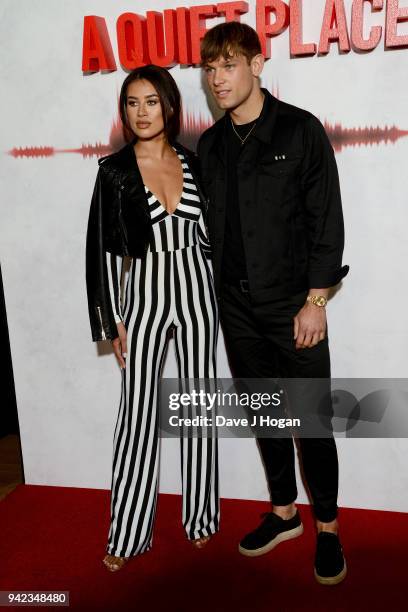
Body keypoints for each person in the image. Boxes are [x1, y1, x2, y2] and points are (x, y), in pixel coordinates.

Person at [197, 22, 349, 585]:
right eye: (210, 68)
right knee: (267, 416)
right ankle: (284, 514)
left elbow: (326, 224)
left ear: (257, 66)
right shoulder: (210, 145)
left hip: (295, 305)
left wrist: (316, 301)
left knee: (311, 421)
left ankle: (328, 528)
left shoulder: (300, 130)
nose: (218, 78)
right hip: (236, 309)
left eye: (229, 64)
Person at [85, 65, 219, 572]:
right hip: (140, 299)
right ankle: (128, 533)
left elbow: (215, 234)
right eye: (132, 103)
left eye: (150, 102)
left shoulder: (195, 163)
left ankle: (201, 517)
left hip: (198, 297)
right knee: (138, 415)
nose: (141, 112)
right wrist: (109, 319)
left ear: (168, 106)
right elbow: (98, 248)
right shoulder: (114, 171)